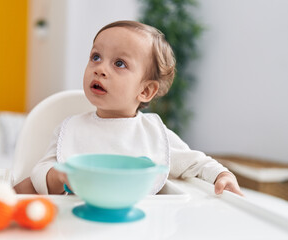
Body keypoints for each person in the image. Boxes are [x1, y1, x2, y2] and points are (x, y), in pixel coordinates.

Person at [14, 20, 243, 197]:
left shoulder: (153, 133)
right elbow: (40, 170)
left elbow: (196, 163)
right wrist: (56, 176)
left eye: (119, 63)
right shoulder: (71, 127)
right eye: (96, 57)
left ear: (145, 91)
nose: (100, 69)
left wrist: (222, 174)